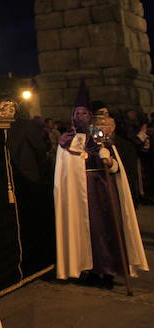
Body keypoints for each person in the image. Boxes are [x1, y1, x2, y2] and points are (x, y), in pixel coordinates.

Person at [54, 84, 148, 288]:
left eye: (85, 113)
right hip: (80, 195)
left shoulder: (100, 138)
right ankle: (90, 270)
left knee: (108, 229)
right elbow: (65, 174)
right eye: (78, 113)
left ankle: (109, 272)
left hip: (104, 191)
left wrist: (109, 161)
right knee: (87, 232)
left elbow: (117, 168)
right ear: (72, 116)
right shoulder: (67, 141)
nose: (82, 117)